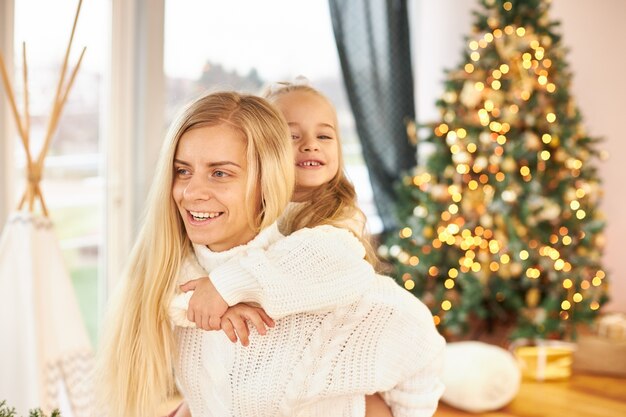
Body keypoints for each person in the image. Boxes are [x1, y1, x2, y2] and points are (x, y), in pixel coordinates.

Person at [168, 85, 445, 416]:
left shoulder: (336, 222)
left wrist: (226, 287)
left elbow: (322, 260)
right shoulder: (238, 224)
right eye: (291, 137)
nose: (310, 145)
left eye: (324, 136)